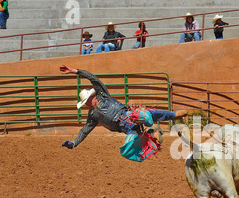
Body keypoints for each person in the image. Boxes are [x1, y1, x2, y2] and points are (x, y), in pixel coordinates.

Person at [59, 65, 187, 162]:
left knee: (145, 114)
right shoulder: (92, 116)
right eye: (84, 103)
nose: (86, 105)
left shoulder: (103, 95)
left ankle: (173, 115)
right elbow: (85, 131)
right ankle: (151, 134)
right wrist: (74, 143)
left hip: (130, 116)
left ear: (91, 97)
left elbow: (93, 78)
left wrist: (75, 71)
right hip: (128, 129)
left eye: (86, 102)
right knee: (126, 151)